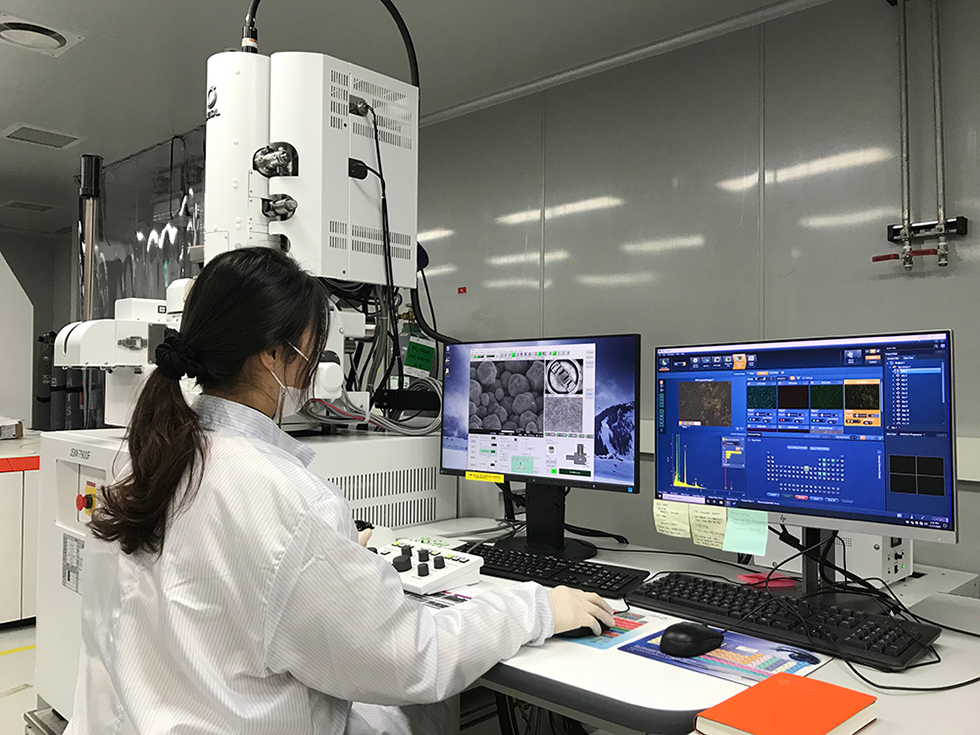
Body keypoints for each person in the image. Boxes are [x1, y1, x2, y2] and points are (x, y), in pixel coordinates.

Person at [66, 246, 613, 735]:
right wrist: (539, 607)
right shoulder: (285, 500)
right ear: (272, 355)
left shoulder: (141, 469)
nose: (315, 365)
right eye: (313, 348)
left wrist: (335, 555)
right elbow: (412, 658)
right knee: (423, 707)